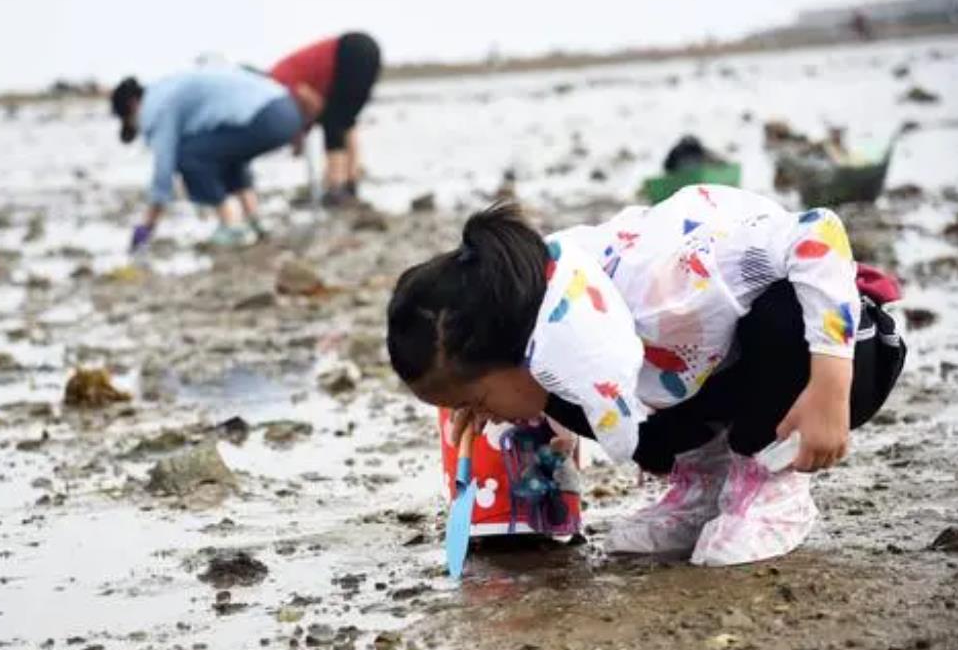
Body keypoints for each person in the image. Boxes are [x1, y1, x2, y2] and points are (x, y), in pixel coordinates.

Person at [386, 187, 905, 566]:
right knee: (559, 397)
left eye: (474, 397)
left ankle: (769, 487)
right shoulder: (534, 304)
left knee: (780, 313)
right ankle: (701, 484)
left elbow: (821, 230)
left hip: (841, 352)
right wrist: (491, 402)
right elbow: (533, 383)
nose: (475, 413)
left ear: (521, 347)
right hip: (708, 368)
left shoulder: (669, 284)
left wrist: (831, 385)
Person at [111, 66, 302, 251]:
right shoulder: (169, 86)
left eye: (131, 122)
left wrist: (146, 227)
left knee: (187, 155)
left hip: (265, 117)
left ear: (133, 105)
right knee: (221, 151)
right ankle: (254, 219)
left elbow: (164, 172)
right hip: (286, 107)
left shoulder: (156, 106)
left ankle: (232, 226)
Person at [269, 33, 381, 207]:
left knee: (334, 120)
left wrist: (299, 136)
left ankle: (336, 187)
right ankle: (350, 184)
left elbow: (311, 100)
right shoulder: (279, 77)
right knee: (346, 121)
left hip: (350, 52)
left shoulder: (274, 81)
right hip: (364, 51)